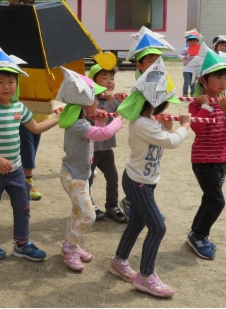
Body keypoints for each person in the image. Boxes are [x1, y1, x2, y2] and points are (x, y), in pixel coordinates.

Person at [110, 57, 190, 298]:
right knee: (158, 227)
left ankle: (118, 261)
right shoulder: (142, 124)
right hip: (139, 183)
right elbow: (172, 142)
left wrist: (166, 126)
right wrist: (184, 126)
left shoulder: (149, 121)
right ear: (157, 102)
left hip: (144, 181)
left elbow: (162, 139)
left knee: (137, 222)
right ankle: (146, 276)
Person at [0, 45, 59, 261]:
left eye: (11, 81)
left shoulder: (19, 108)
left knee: (23, 206)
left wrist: (60, 118)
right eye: (0, 82)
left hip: (16, 170)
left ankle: (22, 243)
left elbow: (36, 128)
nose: (6, 86)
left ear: (17, 84)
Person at [56, 67, 123, 271]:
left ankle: (71, 244)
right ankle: (70, 248)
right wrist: (119, 119)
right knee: (88, 215)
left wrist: (104, 116)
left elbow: (98, 134)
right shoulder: (78, 124)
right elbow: (103, 134)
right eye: (95, 98)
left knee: (77, 212)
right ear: (84, 103)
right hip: (74, 176)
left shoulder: (82, 119)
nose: (98, 102)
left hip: (79, 175)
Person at [185, 43, 226, 259]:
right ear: (203, 80)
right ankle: (200, 235)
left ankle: (195, 234)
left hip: (221, 158)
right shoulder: (195, 104)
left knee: (209, 198)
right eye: (218, 78)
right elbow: (198, 129)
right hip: (203, 161)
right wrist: (206, 106)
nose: (223, 82)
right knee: (217, 201)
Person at [120, 26, 176, 220]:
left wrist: (160, 116)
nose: (155, 66)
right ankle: (134, 203)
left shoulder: (161, 77)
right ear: (140, 65)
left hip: (152, 122)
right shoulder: (140, 82)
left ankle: (140, 205)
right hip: (143, 126)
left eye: (158, 61)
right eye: (151, 62)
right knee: (142, 169)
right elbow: (137, 109)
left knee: (150, 168)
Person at [87, 64, 127, 223]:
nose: (110, 81)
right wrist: (111, 102)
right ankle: (89, 205)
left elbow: (123, 112)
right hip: (91, 150)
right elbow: (97, 120)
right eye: (104, 78)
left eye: (112, 78)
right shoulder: (91, 101)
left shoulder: (111, 98)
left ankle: (112, 205)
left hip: (106, 149)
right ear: (94, 81)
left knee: (112, 177)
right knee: (88, 179)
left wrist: (121, 101)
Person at [179, 29, 201, 97]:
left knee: (193, 82)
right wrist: (183, 57)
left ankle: (193, 94)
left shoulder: (199, 49)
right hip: (187, 69)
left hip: (194, 69)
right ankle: (185, 93)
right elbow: (179, 55)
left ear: (197, 41)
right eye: (190, 41)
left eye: (194, 40)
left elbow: (202, 57)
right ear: (188, 41)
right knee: (187, 82)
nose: (192, 42)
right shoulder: (186, 49)